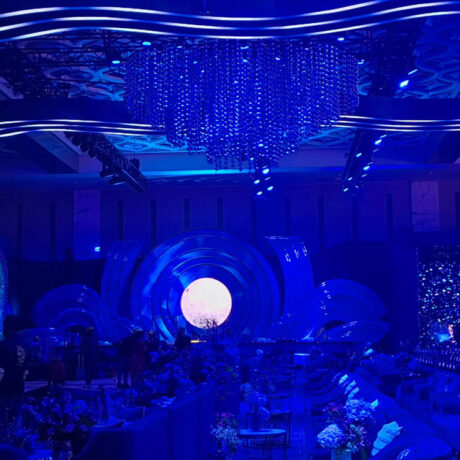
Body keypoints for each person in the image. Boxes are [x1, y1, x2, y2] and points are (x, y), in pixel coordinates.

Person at [0, 316, 29, 423]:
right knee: (15, 419)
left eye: (4, 326)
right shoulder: (24, 344)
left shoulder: (3, 345)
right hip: (19, 386)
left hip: (5, 387)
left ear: (9, 327)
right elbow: (26, 368)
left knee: (3, 421)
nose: (3, 329)